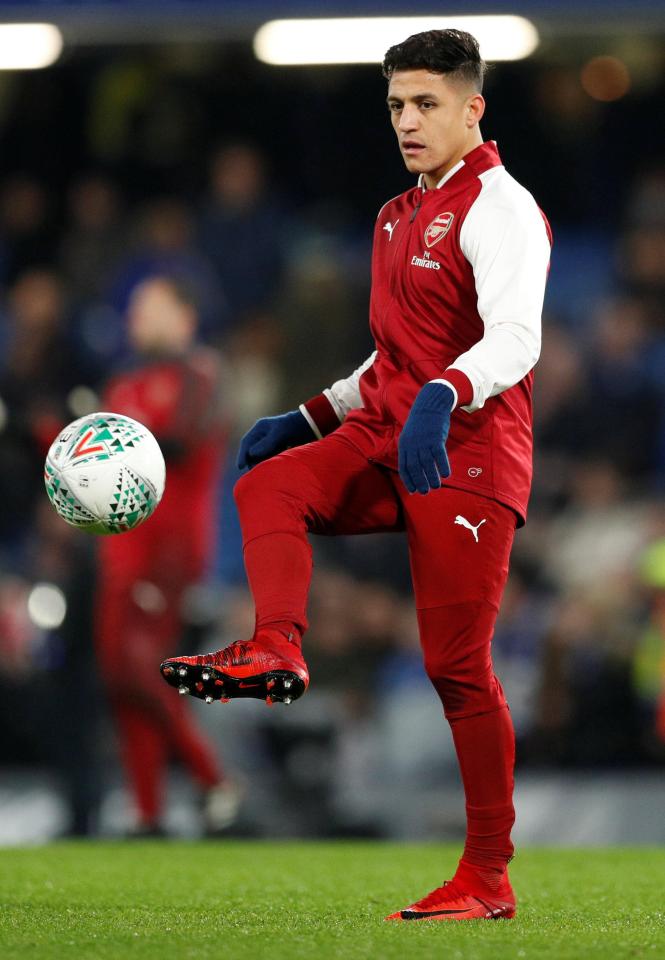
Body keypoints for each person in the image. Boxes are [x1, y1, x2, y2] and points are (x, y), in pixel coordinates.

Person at [161, 29, 551, 918]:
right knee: (268, 483)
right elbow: (389, 357)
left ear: (471, 107)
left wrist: (445, 394)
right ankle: (276, 645)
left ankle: (487, 876)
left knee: (455, 667)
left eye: (425, 105)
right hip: (388, 430)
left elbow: (517, 339)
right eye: (395, 106)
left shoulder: (501, 207)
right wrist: (313, 413)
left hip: (467, 452)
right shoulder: (393, 215)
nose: (407, 123)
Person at [97, 275, 241, 835]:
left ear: (185, 317)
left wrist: (101, 437)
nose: (137, 318)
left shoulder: (200, 374)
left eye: (150, 307)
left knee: (137, 666)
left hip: (170, 546)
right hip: (122, 546)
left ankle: (213, 779)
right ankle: (149, 812)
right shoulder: (125, 380)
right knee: (118, 673)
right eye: (134, 308)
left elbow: (178, 440)